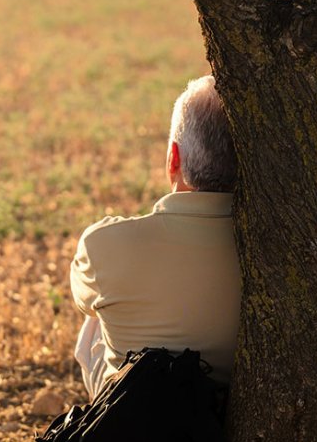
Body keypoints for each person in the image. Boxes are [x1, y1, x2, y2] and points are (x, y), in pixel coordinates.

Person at [70, 75, 241, 398]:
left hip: (135, 423)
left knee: (96, 317)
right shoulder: (274, 251)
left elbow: (83, 301)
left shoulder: (103, 244)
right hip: (226, 421)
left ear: (173, 158)